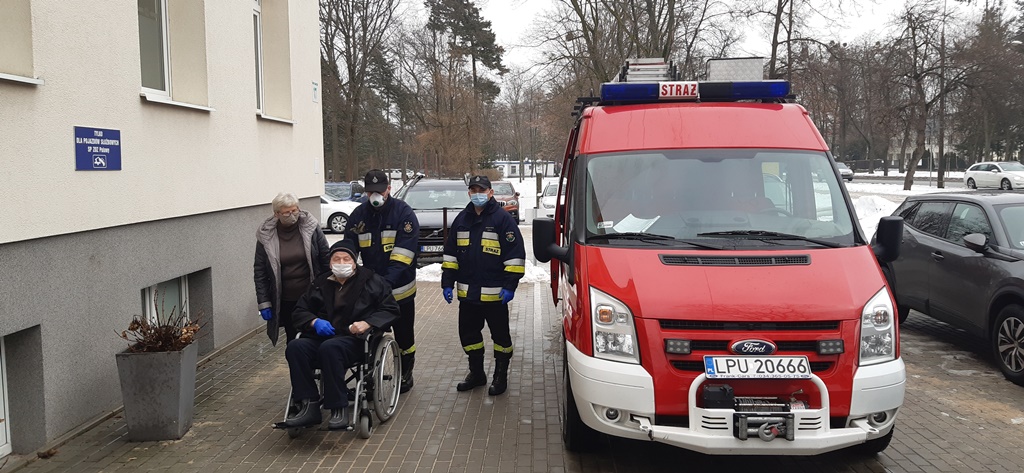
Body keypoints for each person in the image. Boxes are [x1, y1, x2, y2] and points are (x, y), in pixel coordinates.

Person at [282, 239, 400, 430]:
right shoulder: (320, 282)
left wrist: (367, 323)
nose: (342, 263)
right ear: (330, 263)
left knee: (331, 348)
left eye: (347, 259)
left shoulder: (372, 281)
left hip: (354, 341)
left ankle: (338, 407)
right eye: (337, 259)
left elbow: (390, 309)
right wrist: (314, 322)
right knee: (295, 347)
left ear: (355, 261)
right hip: (321, 337)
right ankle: (308, 404)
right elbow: (299, 310)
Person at [441, 175, 526, 396]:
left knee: (501, 339)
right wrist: (447, 282)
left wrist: (510, 286)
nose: (477, 193)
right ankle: (477, 373)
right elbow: (450, 256)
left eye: (482, 190)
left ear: (490, 193)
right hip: (468, 296)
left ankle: (500, 377)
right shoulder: (461, 219)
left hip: (496, 296)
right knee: (468, 337)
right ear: (469, 193)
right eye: (473, 190)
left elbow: (515, 256)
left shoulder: (502, 219)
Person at [344, 169, 420, 393]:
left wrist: (384, 283)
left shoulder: (404, 214)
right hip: (371, 292)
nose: (375, 196)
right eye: (370, 192)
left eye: (379, 191)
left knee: (404, 335)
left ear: (388, 189)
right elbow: (349, 249)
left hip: (400, 291)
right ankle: (370, 372)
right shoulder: (359, 215)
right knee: (371, 333)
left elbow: (403, 255)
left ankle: (406, 372)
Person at [254, 192, 330, 346]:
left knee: (315, 335)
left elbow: (326, 258)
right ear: (276, 214)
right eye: (287, 212)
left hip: (312, 294)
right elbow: (260, 271)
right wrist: (264, 302)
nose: (292, 215)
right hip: (286, 299)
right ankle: (298, 368)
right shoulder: (266, 236)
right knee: (293, 339)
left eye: (295, 210)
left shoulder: (311, 227)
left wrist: (330, 289)